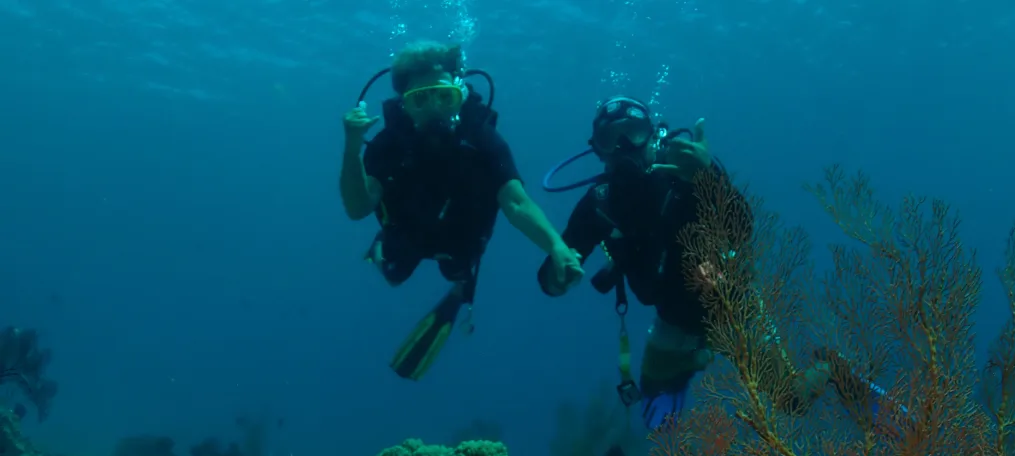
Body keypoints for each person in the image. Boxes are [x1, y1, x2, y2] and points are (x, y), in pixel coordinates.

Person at [538, 96, 902, 432]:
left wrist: (706, 175)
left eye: (632, 134)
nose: (622, 148)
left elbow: (742, 226)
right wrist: (558, 275)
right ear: (597, 150)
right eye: (609, 139)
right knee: (655, 406)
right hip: (671, 318)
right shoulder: (599, 205)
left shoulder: (686, 171)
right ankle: (684, 370)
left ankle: (832, 369)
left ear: (651, 135)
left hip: (729, 305)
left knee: (792, 401)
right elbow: (552, 271)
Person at [340, 40, 584, 380]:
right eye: (420, 99)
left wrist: (556, 246)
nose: (433, 108)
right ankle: (390, 251)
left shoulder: (483, 141)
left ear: (460, 93)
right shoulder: (388, 145)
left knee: (458, 270)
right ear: (404, 105)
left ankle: (458, 289)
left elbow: (516, 202)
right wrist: (352, 148)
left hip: (462, 241)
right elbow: (357, 207)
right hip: (405, 234)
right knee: (394, 273)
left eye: (443, 96)